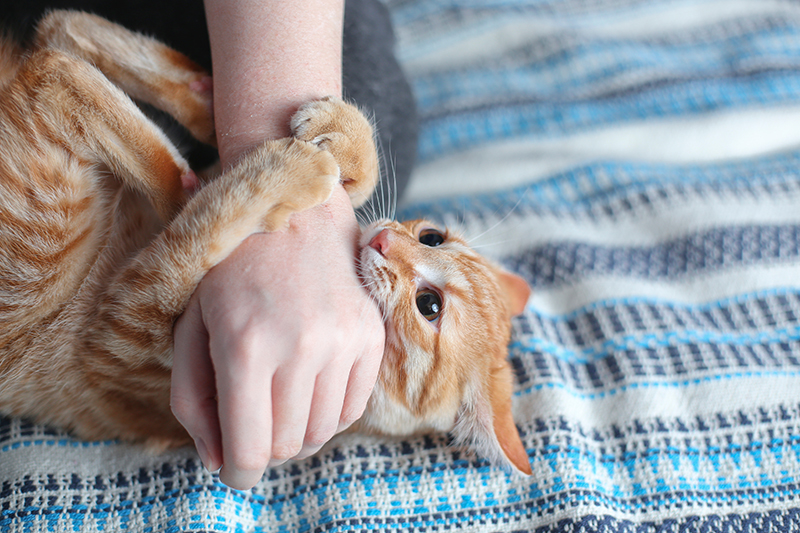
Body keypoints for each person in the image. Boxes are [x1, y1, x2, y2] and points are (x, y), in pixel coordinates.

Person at [4, 0, 418, 491]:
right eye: (431, 239)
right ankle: (83, 81)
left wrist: (240, 197)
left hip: (34, 321)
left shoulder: (237, 402)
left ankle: (74, 97)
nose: (396, 244)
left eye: (428, 303)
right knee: (372, 115)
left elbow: (115, 341)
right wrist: (310, 209)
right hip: (106, 191)